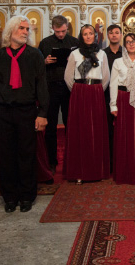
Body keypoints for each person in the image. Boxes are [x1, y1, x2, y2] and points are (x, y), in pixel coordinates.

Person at [0, 16, 49, 213]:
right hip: (2, 112)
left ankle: (27, 196)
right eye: (21, 28)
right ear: (11, 30)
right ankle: (10, 197)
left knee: (26, 154)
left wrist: (43, 112)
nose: (25, 32)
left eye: (27, 29)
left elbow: (41, 86)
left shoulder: (34, 55)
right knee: (6, 155)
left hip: (27, 111)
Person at [64, 25, 111, 183]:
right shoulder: (74, 53)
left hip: (96, 93)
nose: (89, 36)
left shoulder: (102, 53)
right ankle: (79, 171)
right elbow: (68, 77)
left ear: (95, 35)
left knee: (96, 131)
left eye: (91, 33)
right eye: (85, 34)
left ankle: (97, 170)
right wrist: (79, 91)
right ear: (81, 36)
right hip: (80, 93)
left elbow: (106, 77)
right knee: (80, 131)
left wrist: (96, 91)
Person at [109, 33, 135, 184]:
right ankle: (123, 174)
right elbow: (113, 84)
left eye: (133, 41)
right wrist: (113, 105)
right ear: (125, 45)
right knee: (123, 135)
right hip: (122, 98)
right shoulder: (118, 62)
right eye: (128, 42)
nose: (131, 44)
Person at [38, 15, 79, 170]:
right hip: (51, 88)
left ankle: (72, 160)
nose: (61, 34)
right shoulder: (45, 43)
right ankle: (51, 162)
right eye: (57, 31)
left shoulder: (74, 42)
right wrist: (44, 62)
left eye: (63, 31)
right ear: (53, 28)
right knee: (51, 126)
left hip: (69, 88)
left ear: (67, 27)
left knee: (71, 124)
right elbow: (37, 67)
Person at [104, 24, 123, 170]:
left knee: (123, 129)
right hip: (106, 95)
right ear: (108, 35)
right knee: (108, 129)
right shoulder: (102, 54)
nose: (114, 35)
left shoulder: (127, 53)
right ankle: (110, 162)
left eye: (117, 32)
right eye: (111, 33)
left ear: (121, 35)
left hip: (123, 95)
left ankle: (123, 160)